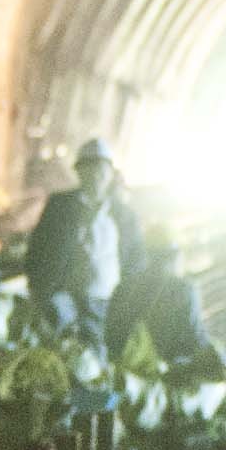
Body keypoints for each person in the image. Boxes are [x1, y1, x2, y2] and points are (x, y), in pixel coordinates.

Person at [23, 138, 136, 334]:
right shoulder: (59, 206)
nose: (96, 176)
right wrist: (41, 292)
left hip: (105, 304)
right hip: (63, 300)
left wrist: (126, 306)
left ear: (110, 174)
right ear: (79, 172)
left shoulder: (124, 216)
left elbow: (135, 262)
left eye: (101, 169)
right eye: (89, 169)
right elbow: (37, 249)